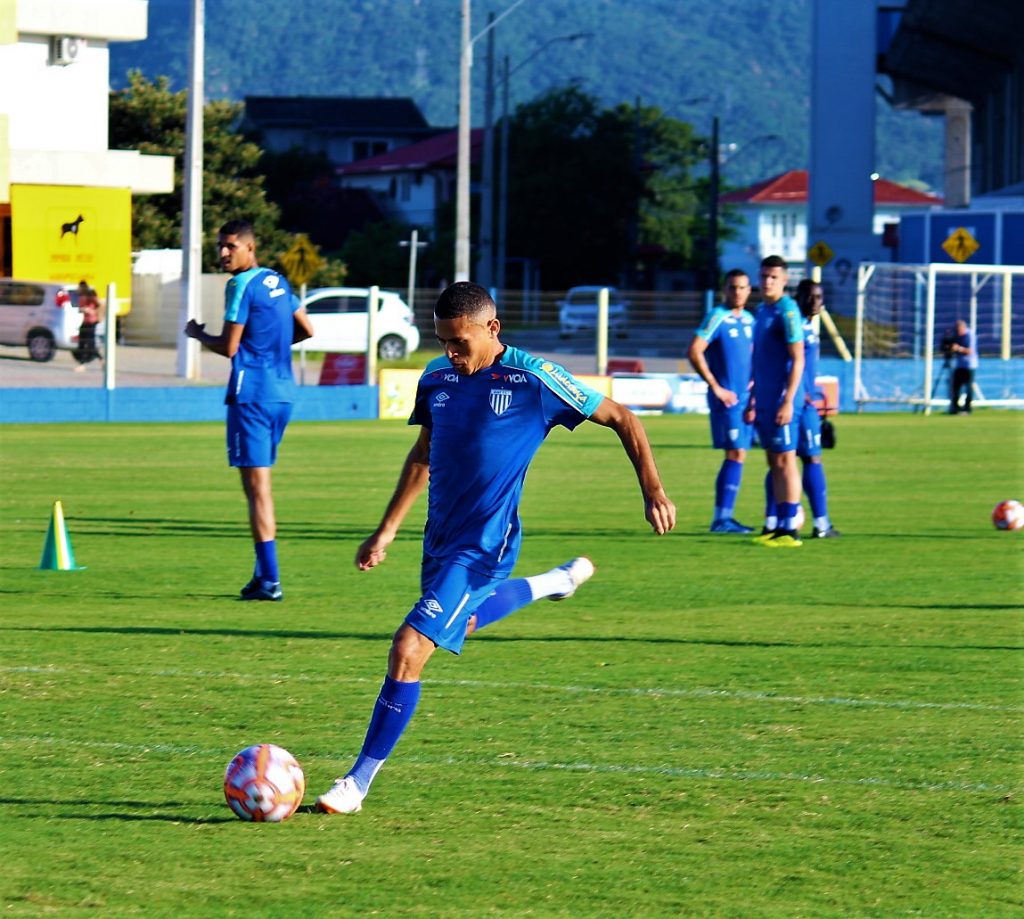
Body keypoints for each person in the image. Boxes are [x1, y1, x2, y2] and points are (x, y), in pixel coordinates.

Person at [315, 281, 676, 815]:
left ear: (492, 328)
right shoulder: (437, 378)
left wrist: (653, 490)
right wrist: (387, 529)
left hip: (485, 544)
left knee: (409, 646)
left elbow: (623, 417)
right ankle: (555, 582)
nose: (451, 354)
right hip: (439, 540)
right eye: (443, 342)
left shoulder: (534, 379)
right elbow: (424, 453)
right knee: (460, 626)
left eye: (460, 342)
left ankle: (357, 783)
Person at [185, 219, 314, 601]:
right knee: (257, 487)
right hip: (282, 394)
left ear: (249, 247)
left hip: (252, 395)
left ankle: (270, 580)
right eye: (220, 247)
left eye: (230, 247)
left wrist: (197, 334)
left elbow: (228, 346)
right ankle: (262, 576)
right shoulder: (277, 281)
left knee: (257, 489)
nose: (223, 253)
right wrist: (269, 344)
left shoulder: (238, 286)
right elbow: (306, 329)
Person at [760, 279, 840, 539]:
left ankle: (785, 522)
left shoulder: (807, 326)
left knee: (785, 460)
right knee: (793, 460)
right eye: (811, 296)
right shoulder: (795, 324)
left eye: (820, 296)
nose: (816, 301)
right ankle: (813, 523)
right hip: (799, 404)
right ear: (799, 297)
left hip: (804, 403)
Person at [688, 269, 756, 533]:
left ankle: (728, 517)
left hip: (748, 400)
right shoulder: (717, 317)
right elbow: (694, 351)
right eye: (732, 287)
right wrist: (716, 387)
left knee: (745, 454)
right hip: (727, 400)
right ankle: (721, 519)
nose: (737, 292)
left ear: (749, 290)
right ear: (724, 290)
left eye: (742, 288)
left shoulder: (750, 320)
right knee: (736, 452)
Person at [746, 255, 805, 548]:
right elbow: (760, 360)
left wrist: (789, 400)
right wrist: (753, 399)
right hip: (764, 399)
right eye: (764, 276)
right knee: (773, 460)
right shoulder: (761, 310)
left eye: (773, 277)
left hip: (782, 400)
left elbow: (798, 359)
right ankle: (779, 524)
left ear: (784, 280)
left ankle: (790, 528)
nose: (767, 282)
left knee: (786, 460)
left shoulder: (788, 311)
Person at [948, 318, 978, 414]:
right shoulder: (956, 335)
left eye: (959, 330)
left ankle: (967, 408)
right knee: (955, 386)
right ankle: (955, 408)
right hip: (959, 365)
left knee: (968, 387)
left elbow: (970, 351)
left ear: (963, 328)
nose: (958, 332)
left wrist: (958, 348)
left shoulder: (970, 335)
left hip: (969, 365)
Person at [73, 281, 104, 370]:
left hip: (91, 322)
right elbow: (80, 309)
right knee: (81, 344)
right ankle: (82, 364)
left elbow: (100, 305)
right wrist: (82, 309)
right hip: (85, 322)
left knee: (90, 344)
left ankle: (85, 364)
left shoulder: (90, 295)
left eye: (79, 287)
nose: (77, 289)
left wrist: (93, 312)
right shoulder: (81, 297)